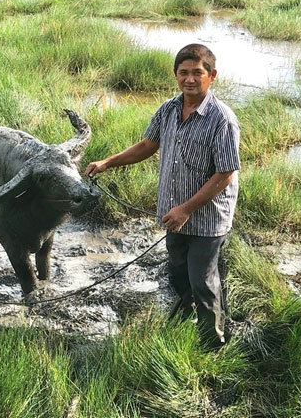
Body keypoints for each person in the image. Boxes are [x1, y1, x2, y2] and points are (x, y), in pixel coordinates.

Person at [84, 43, 240, 349]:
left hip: (207, 217)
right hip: (174, 213)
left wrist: (186, 209)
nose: (190, 79)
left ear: (212, 75)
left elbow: (225, 175)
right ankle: (186, 314)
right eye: (184, 73)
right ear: (175, 75)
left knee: (203, 280)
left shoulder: (222, 120)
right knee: (178, 271)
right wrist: (107, 162)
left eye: (198, 73)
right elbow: (147, 145)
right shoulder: (169, 109)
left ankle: (213, 342)